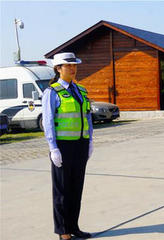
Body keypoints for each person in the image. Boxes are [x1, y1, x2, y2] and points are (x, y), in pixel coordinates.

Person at [42, 52, 93, 239]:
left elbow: (87, 117)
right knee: (62, 191)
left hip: (80, 145)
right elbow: (48, 121)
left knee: (76, 188)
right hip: (62, 147)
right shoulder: (52, 92)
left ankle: (74, 226)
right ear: (58, 69)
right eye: (68, 66)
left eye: (74, 65)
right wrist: (53, 147)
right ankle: (63, 231)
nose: (72, 69)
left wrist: (90, 141)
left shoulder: (81, 90)